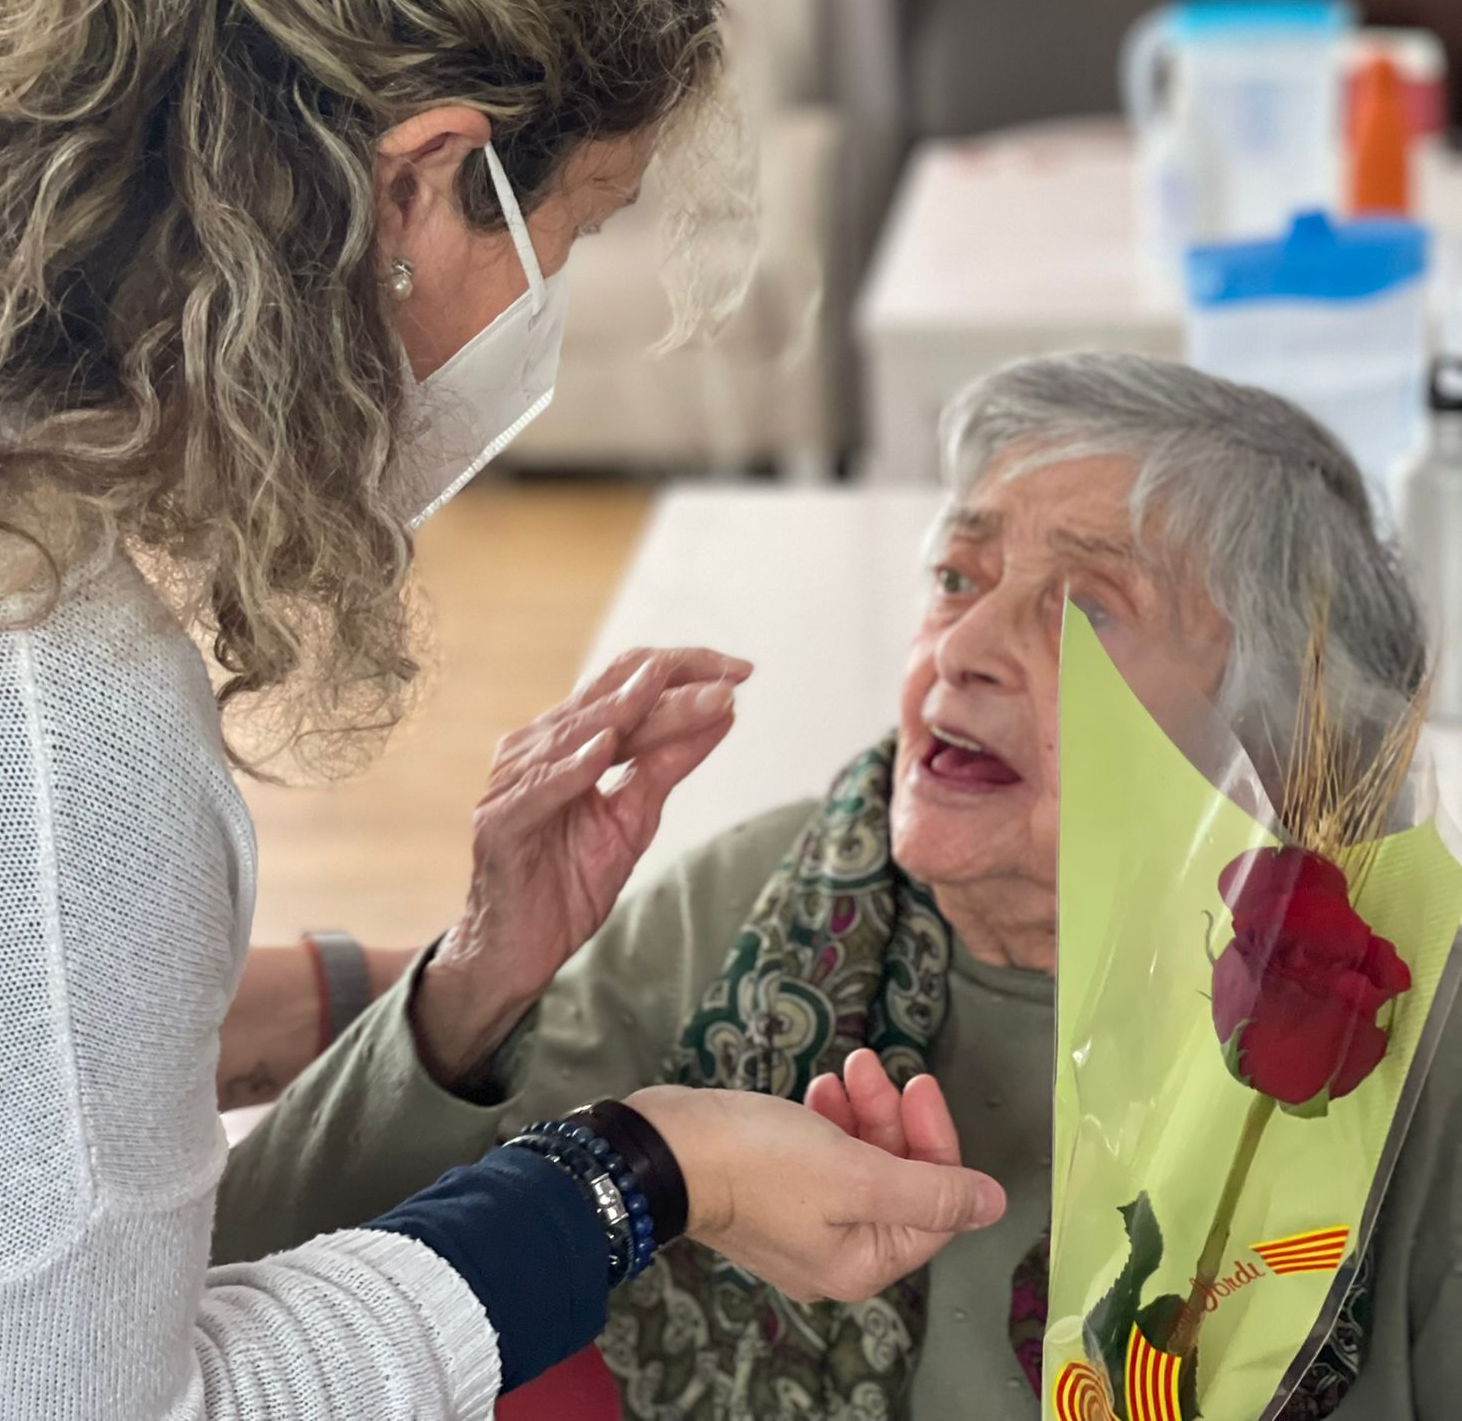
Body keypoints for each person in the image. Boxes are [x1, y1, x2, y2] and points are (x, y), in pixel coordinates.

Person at [0, 0, 1005, 1421]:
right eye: (564, 240)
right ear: (418, 180)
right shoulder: (42, 711)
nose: (541, 316)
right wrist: (646, 1170)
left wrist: (450, 985)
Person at [215, 353, 1462, 1421]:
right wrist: (482, 968)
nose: (962, 649)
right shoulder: (766, 898)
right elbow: (253, 1285)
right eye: (959, 578)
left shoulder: (1412, 1024)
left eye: (1085, 606)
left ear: (1286, 727)